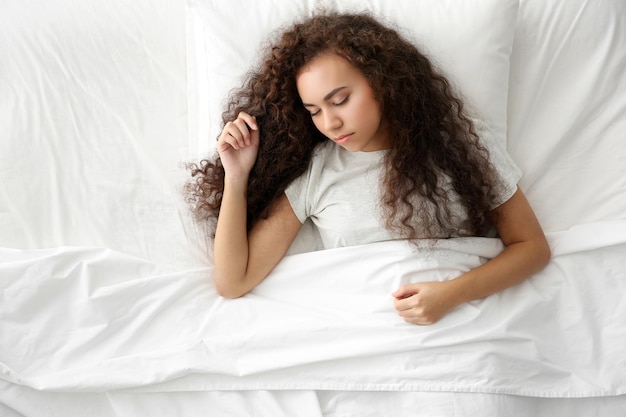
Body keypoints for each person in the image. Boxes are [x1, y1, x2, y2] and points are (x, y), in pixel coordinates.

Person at [186, 12, 551, 325]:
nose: (329, 122)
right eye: (314, 111)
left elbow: (531, 247)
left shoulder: (462, 143)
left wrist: (449, 296)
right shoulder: (315, 173)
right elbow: (233, 282)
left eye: (340, 100)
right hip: (361, 331)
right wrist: (237, 176)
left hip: (464, 322)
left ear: (382, 81)